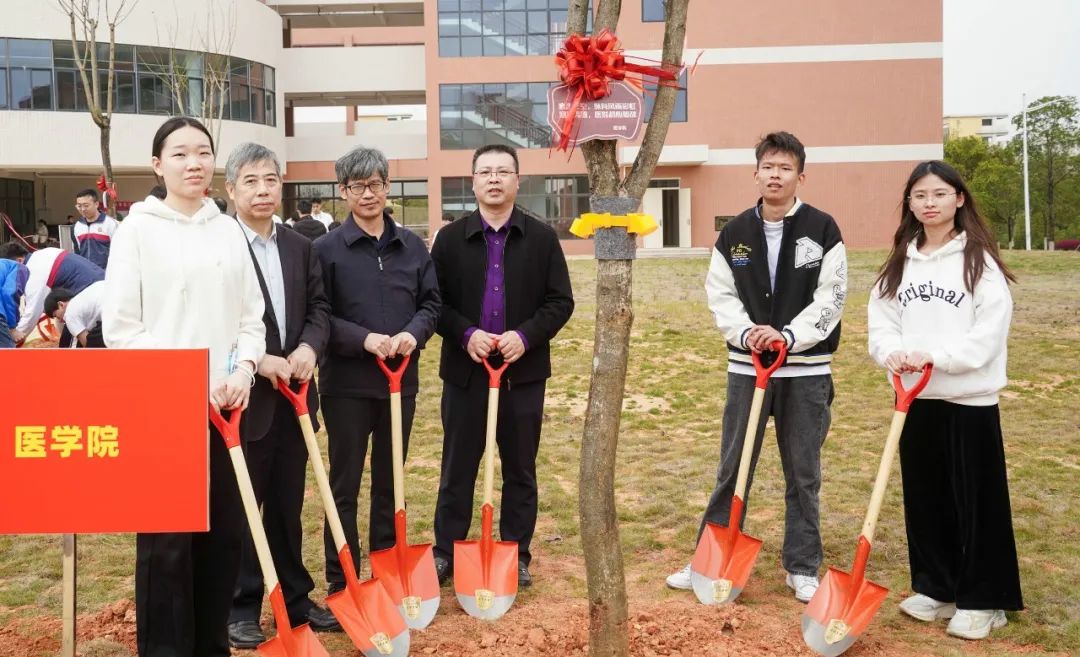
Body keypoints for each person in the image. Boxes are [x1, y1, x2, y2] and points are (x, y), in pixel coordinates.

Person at [102, 116, 266, 657]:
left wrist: (243, 371)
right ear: (158, 165)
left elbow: (252, 318)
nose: (194, 163)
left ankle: (212, 645)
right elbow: (121, 330)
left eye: (203, 152)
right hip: (163, 409)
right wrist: (188, 380)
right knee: (167, 546)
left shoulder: (228, 230)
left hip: (227, 408)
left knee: (222, 537)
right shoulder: (137, 231)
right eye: (179, 154)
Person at [666, 132, 847, 602]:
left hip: (805, 371)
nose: (775, 175)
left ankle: (802, 566)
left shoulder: (823, 229)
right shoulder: (735, 233)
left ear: (800, 177)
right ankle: (709, 559)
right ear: (756, 173)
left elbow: (832, 296)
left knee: (803, 473)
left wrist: (788, 337)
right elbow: (720, 294)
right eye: (768, 167)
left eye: (785, 168)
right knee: (732, 467)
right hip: (748, 369)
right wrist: (748, 334)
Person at [867, 160, 1022, 640]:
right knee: (927, 497)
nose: (929, 203)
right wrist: (892, 354)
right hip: (916, 398)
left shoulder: (979, 261)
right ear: (909, 203)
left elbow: (988, 333)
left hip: (969, 399)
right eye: (919, 195)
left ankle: (984, 599)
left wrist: (938, 358)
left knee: (976, 502)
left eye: (938, 194)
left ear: (959, 199)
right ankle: (937, 586)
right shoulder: (901, 260)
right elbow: (882, 321)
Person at [430, 144, 574, 587]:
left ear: (517, 180)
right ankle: (446, 551)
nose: (494, 179)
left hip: (522, 376)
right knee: (457, 467)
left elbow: (560, 302)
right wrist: (465, 334)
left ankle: (516, 552)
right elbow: (434, 304)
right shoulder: (450, 240)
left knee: (520, 469)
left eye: (503, 172)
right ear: (473, 181)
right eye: (486, 172)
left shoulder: (542, 238)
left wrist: (524, 337)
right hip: (465, 374)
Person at [221, 142, 336, 647]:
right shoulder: (220, 247)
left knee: (288, 506)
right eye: (250, 181)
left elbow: (320, 308)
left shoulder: (299, 245)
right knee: (245, 506)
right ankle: (241, 604)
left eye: (270, 179)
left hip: (296, 398)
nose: (262, 190)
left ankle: (294, 597)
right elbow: (213, 320)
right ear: (231, 190)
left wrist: (309, 347)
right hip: (243, 400)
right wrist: (256, 361)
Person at [314, 145, 440, 594]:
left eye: (375, 184)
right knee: (344, 485)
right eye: (356, 186)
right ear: (342, 191)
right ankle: (343, 579)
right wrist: (363, 339)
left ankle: (388, 571)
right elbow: (319, 315)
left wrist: (413, 333)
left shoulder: (412, 247)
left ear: (387, 187)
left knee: (392, 482)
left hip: (399, 384)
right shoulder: (325, 250)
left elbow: (431, 303)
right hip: (346, 386)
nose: (367, 194)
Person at [0, 242, 104, 346]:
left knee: (69, 343)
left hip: (89, 295)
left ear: (19, 261)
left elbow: (32, 313)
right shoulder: (43, 254)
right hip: (101, 286)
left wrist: (14, 337)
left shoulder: (33, 270)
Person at [45, 282, 105, 348]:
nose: (59, 321)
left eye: (56, 316)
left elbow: (87, 346)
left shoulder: (69, 314)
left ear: (61, 304)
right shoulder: (82, 296)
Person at [73, 188, 120, 269]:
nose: (82, 209)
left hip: (107, 272)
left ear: (96, 204)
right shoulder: (78, 226)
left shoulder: (111, 224)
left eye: (86, 205)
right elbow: (78, 251)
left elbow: (119, 251)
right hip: (86, 272)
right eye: (79, 206)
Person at [0, 257, 29, 348]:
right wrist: (12, 328)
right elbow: (10, 294)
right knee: (8, 355)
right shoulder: (21, 268)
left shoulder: (4, 265)